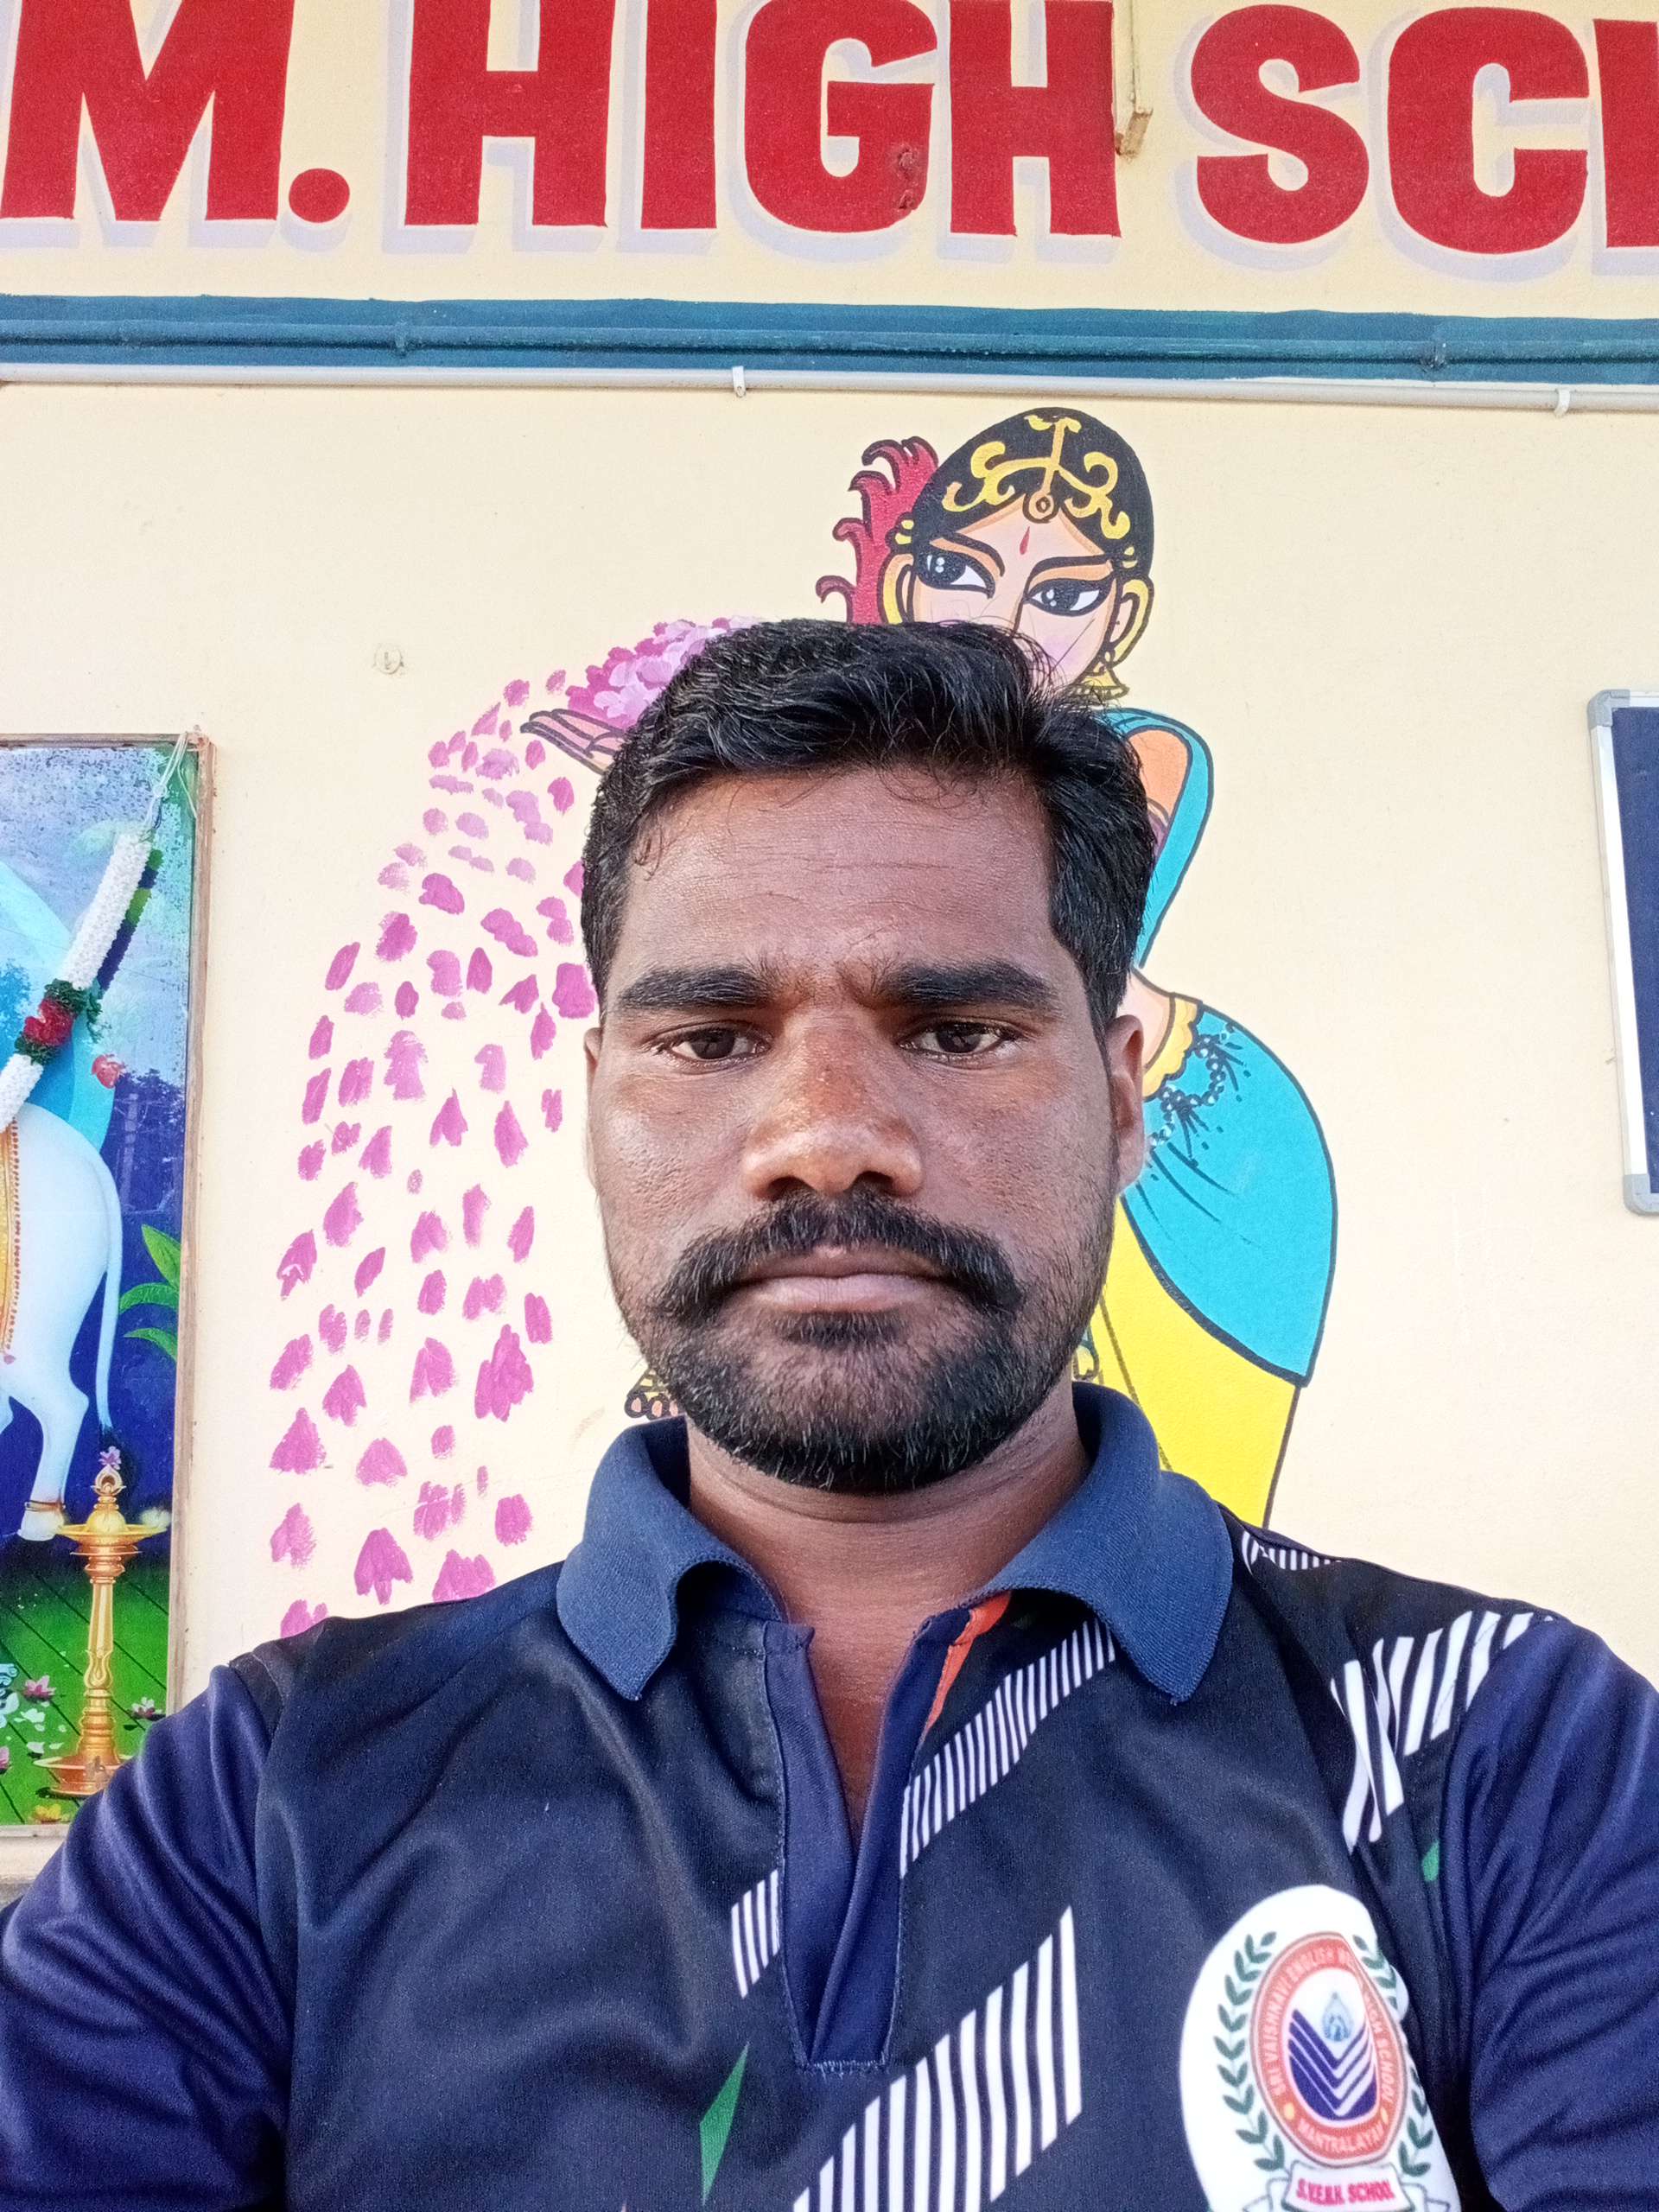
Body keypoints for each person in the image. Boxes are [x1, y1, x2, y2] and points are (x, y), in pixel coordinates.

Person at [1, 620, 1653, 2211]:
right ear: (594, 1104)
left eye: (958, 1029)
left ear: (1123, 1098)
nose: (826, 1136)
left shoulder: (1506, 1747)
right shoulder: (276, 1789)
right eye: (712, 1037)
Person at [822, 410, 1336, 1521]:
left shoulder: (1141, 757)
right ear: (907, 581)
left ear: (1122, 616)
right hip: (1009, 1093)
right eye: (962, 574)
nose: (1005, 620)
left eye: (1060, 592)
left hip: (1200, 1143)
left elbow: (1005, 925)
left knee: (1182, 1515)